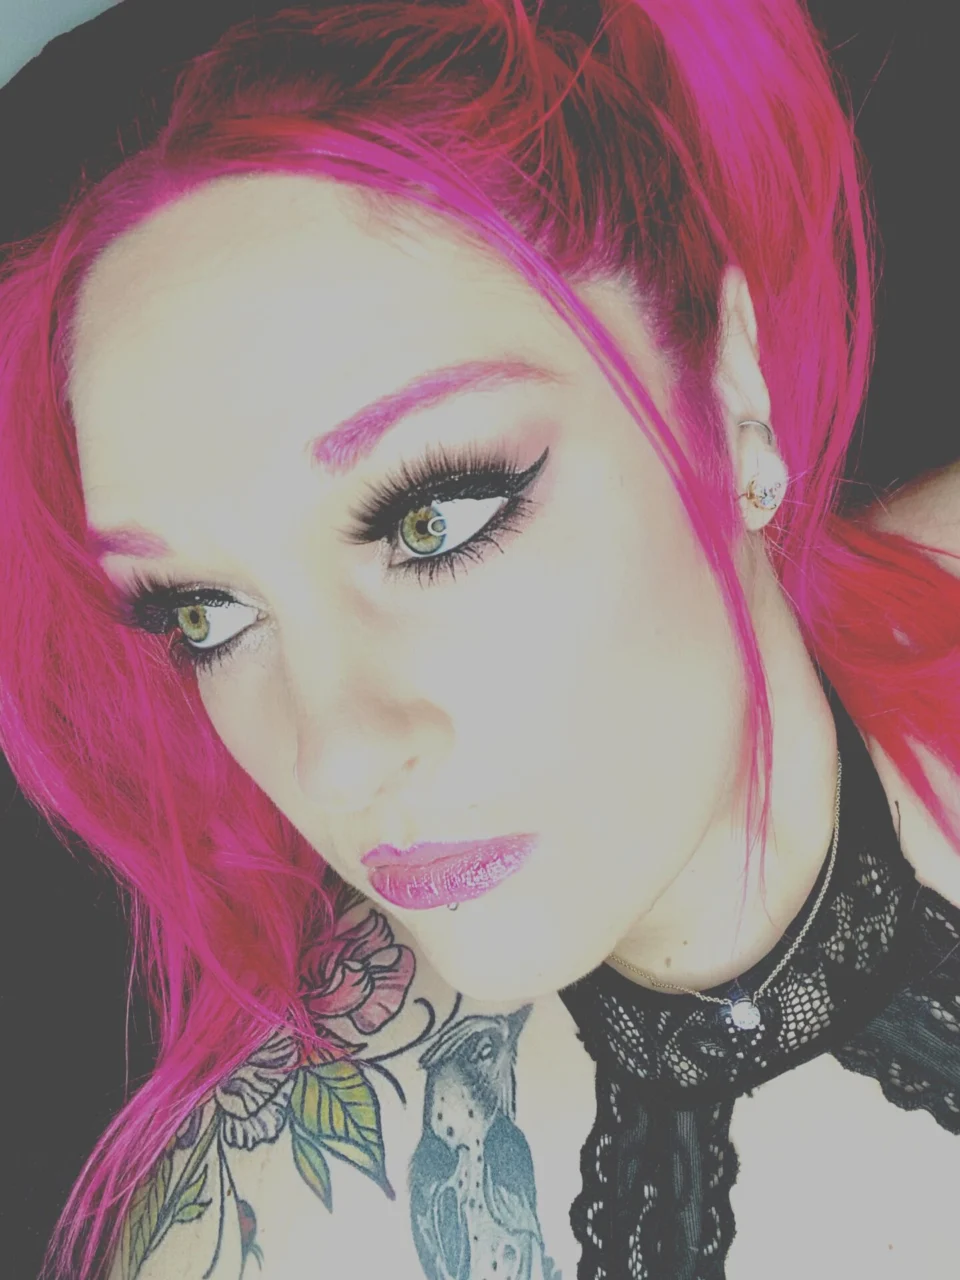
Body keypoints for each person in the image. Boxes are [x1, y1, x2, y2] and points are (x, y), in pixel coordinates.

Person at [1, 2, 959, 1277]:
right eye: (207, 613)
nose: (338, 756)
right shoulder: (285, 1232)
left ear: (727, 395)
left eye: (433, 520)